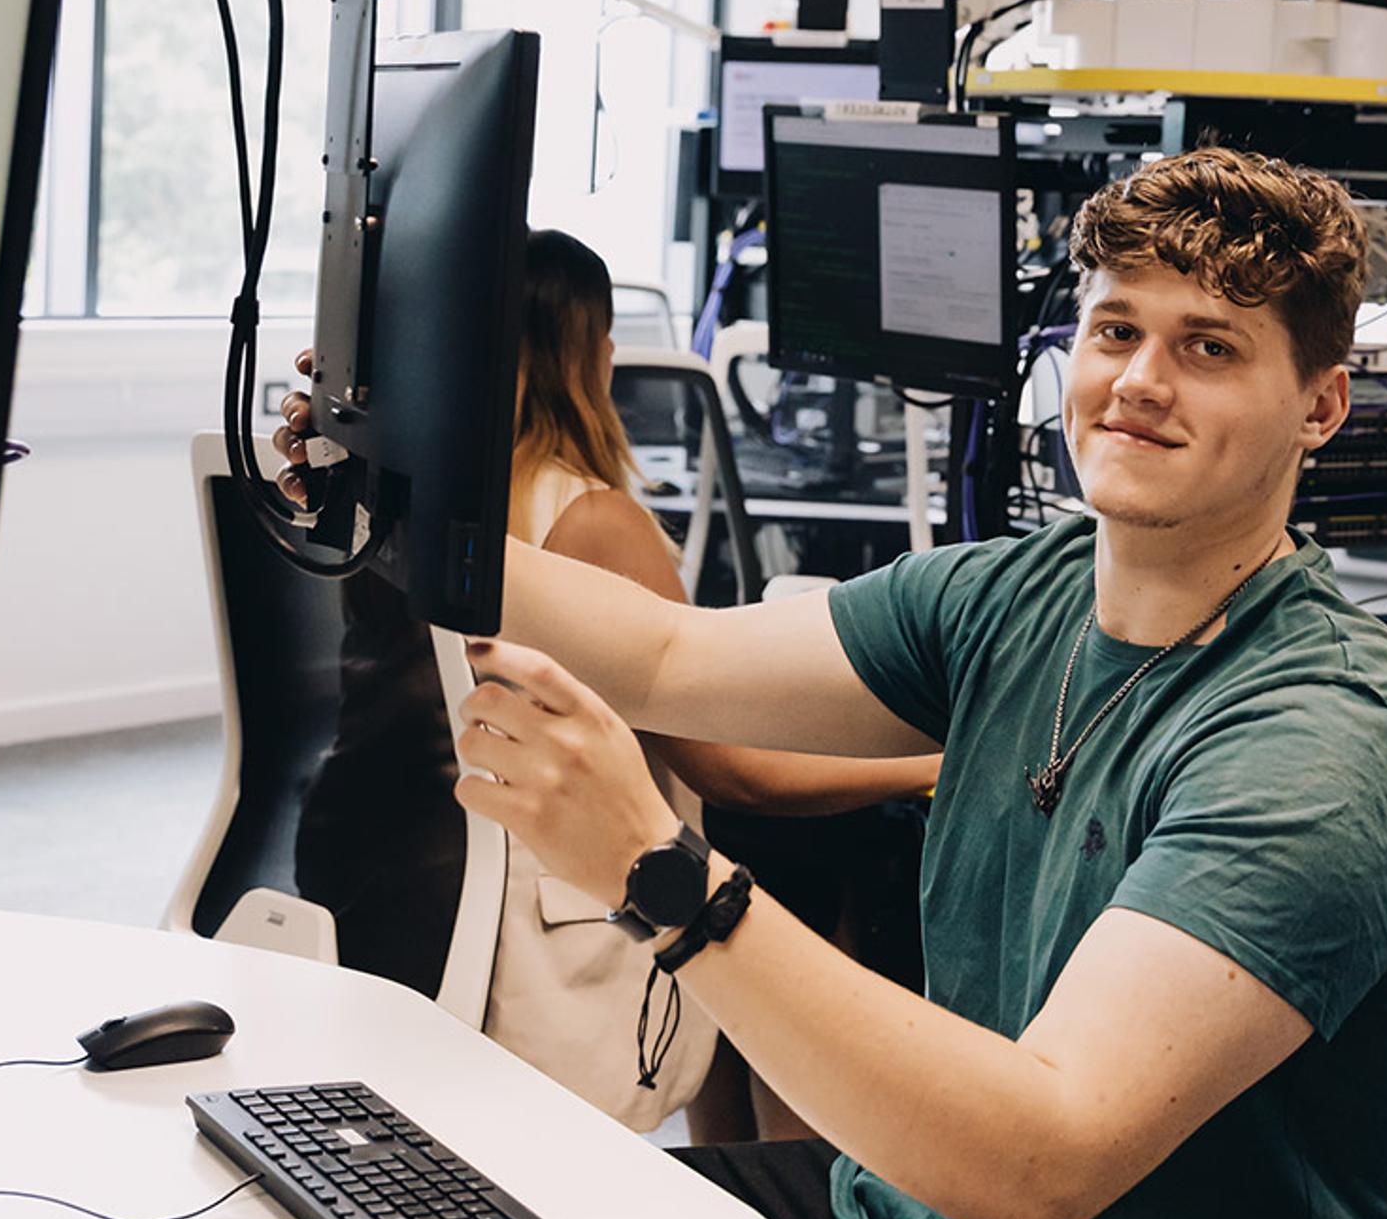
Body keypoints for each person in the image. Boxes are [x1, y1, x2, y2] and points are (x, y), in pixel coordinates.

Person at [360, 148, 1387, 1219]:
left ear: (1321, 408)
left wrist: (661, 876)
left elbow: (1046, 1162)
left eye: (1211, 348)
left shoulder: (1324, 736)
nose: (1138, 381)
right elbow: (668, 658)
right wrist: (389, 510)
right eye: (1116, 329)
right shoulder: (1014, 595)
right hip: (909, 1194)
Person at [277, 228, 938, 1140]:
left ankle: (726, 1164)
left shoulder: (399, 506)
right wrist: (931, 765)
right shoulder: (588, 519)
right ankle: (781, 1178)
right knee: (810, 872)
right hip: (543, 924)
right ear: (591, 356)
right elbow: (735, 772)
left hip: (390, 882)